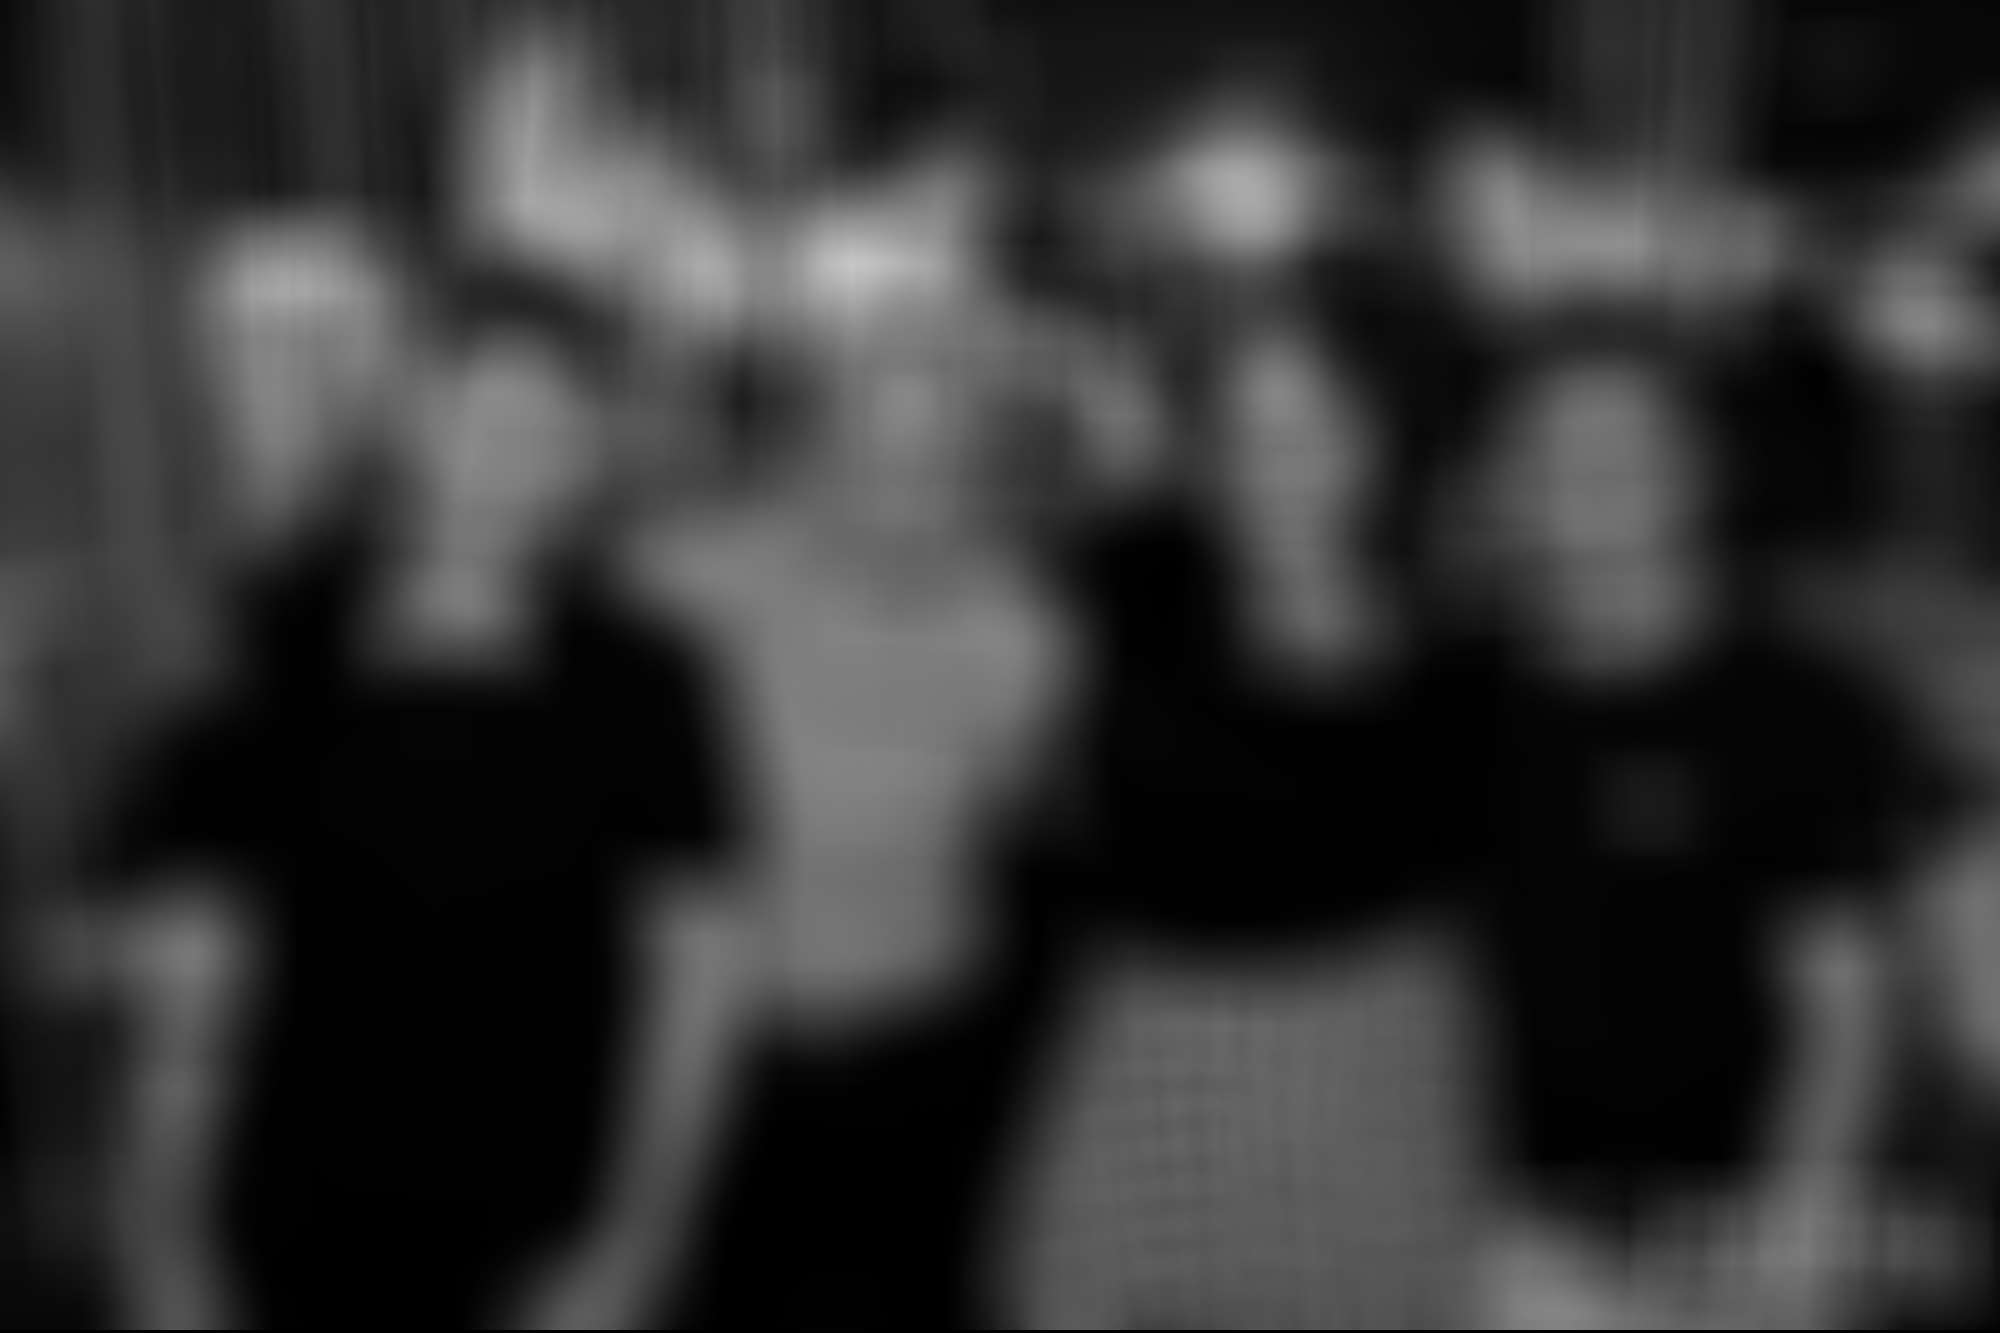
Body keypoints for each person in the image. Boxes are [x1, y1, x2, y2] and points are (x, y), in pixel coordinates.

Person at [98, 265, 756, 1330]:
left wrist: (635, 1249)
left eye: (550, 432)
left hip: (550, 1242)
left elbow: (695, 996)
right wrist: (166, 1244)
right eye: (474, 414)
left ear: (592, 460)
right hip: (285, 1226)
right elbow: (189, 995)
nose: (505, 463)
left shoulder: (648, 678)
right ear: (405, 418)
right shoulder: (271, 649)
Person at [1008, 299, 1483, 1330]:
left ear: (1376, 438)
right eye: (1242, 431)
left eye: (1315, 424)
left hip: (1379, 1046)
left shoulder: (1452, 621)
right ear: (1201, 454)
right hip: (1158, 1045)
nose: (1277, 464)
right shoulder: (1118, 582)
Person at [1464, 333, 1920, 1329]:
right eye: (1548, 450)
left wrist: (1792, 1228)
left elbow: (1842, 1013)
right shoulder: (1462, 701)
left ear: (1697, 470)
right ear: (1508, 487)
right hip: (1516, 1240)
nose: (1585, 477)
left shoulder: (1802, 710)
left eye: (1622, 446)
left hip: (1742, 1223)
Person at [654, 296, 1079, 1329]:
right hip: (726, 1077)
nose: (898, 490)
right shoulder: (690, 584)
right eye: (869, 451)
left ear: (977, 475)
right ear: (813, 454)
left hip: (929, 1076)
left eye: (933, 460)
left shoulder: (1021, 633)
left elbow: (1029, 827)